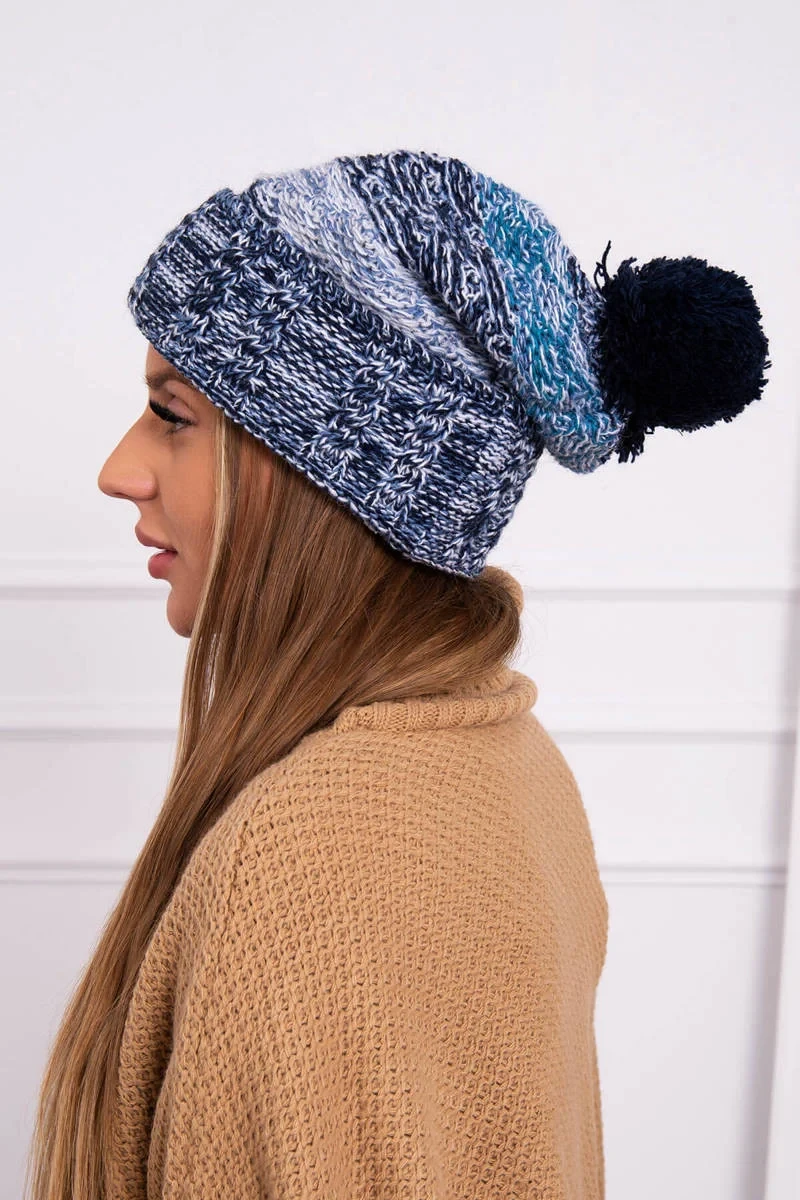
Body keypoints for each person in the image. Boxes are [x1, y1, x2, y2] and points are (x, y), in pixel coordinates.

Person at [23, 148, 770, 1200]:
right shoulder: (510, 763)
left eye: (175, 416)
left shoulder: (306, 856)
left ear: (323, 477)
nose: (119, 470)